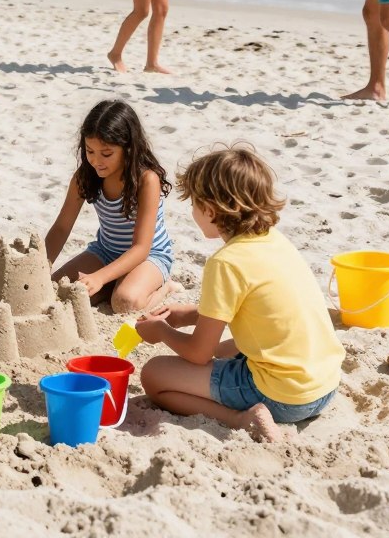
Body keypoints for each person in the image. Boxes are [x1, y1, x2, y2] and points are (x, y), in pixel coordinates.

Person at [138, 144, 344, 443]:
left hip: (283, 398)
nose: (194, 212)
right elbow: (259, 306)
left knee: (154, 374)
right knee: (225, 350)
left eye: (194, 204)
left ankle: (240, 418)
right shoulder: (274, 241)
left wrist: (162, 331)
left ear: (210, 209)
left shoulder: (225, 262)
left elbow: (198, 353)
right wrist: (193, 314)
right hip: (324, 387)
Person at [45, 99, 175, 314]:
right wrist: (40, 267)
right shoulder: (84, 177)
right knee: (59, 292)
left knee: (125, 303)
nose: (96, 161)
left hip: (150, 256)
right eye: (89, 151)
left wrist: (100, 276)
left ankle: (165, 288)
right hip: (106, 251)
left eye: (106, 154)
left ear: (129, 149)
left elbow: (141, 248)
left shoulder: (146, 180)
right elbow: (61, 227)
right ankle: (114, 283)